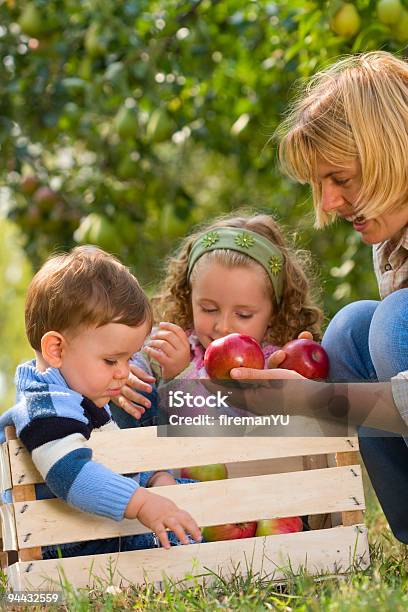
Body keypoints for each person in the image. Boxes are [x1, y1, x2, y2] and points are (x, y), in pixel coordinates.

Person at [230, 51, 408, 543]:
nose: (328, 203)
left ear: (390, 151)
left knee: (395, 319)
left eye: (341, 179)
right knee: (351, 331)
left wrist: (318, 399)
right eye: (321, 184)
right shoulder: (392, 241)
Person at [0, 245, 201, 558]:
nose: (124, 372)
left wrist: (154, 478)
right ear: (56, 349)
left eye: (130, 357)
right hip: (60, 543)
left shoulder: (78, 393)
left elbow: (110, 462)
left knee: (198, 498)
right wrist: (143, 502)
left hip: (92, 528)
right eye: (111, 360)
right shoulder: (44, 408)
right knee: (179, 536)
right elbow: (72, 475)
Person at [116, 212, 323, 412]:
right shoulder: (179, 343)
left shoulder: (270, 368)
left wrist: (180, 376)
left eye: (243, 314)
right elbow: (137, 357)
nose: (223, 326)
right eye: (209, 309)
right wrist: (123, 374)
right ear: (188, 298)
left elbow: (217, 430)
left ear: (274, 314)